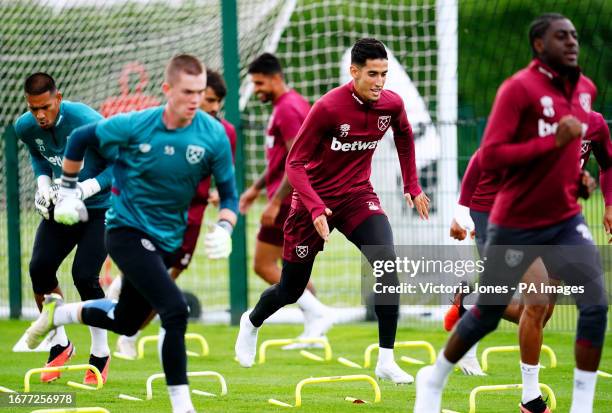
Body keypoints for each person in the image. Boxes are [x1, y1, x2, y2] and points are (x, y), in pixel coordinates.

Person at [414, 14, 607, 413]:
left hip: (564, 219)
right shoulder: (517, 89)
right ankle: (432, 381)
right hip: (514, 218)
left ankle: (570, 404)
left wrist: (585, 185)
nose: (572, 42)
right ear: (539, 45)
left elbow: (585, 161)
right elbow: (492, 156)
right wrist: (552, 142)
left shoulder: (586, 91)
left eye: (574, 35)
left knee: (592, 302)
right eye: (561, 36)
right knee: (496, 311)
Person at [24, 54, 238, 413]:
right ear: (167, 89)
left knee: (126, 322)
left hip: (170, 239)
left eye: (200, 93)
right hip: (125, 229)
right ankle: (182, 406)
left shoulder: (214, 134)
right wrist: (67, 191)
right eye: (187, 92)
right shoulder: (135, 125)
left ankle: (58, 315)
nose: (195, 101)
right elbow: (78, 139)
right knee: (175, 309)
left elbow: (230, 194)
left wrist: (226, 226)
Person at [235, 38, 430, 384]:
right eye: (373, 74)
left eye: (384, 74)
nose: (380, 82)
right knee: (290, 290)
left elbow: (404, 135)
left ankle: (386, 359)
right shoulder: (327, 108)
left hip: (357, 198)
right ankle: (251, 322)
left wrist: (412, 186)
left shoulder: (391, 105)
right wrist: (314, 208)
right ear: (354, 72)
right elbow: (295, 164)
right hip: (313, 200)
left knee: (387, 264)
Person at [112, 68, 238, 358]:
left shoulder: (223, 132)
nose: (214, 106)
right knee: (157, 279)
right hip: (159, 212)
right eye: (209, 99)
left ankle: (132, 329)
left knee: (171, 276)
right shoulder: (161, 125)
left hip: (193, 217)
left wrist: (219, 197)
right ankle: (126, 311)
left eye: (218, 100)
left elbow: (223, 175)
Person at [14, 73, 112, 384]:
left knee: (84, 275)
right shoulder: (25, 127)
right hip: (63, 207)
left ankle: (100, 353)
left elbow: (120, 163)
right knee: (39, 269)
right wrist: (43, 185)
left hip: (103, 207)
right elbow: (38, 155)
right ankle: (59, 345)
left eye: (45, 107)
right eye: (33, 109)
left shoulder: (86, 120)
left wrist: (85, 189)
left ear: (58, 98)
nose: (40, 115)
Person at [239, 53, 331, 347]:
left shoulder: (289, 108)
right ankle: (314, 326)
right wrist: (255, 189)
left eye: (259, 82)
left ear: (277, 77)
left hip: (292, 198)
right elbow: (280, 159)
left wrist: (276, 201)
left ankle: (318, 314)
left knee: (263, 264)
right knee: (293, 269)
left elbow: (297, 160)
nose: (256, 89)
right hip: (294, 196)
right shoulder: (285, 106)